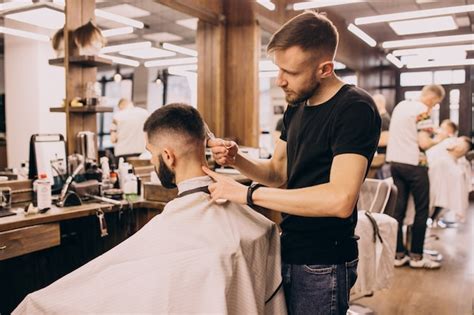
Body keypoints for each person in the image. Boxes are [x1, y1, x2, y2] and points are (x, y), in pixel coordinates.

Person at [14, 104, 286, 315]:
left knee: (37, 304)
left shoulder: (178, 224)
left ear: (168, 156)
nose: (153, 159)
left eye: (152, 153)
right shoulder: (258, 226)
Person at [204, 11, 381, 315]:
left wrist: (247, 194)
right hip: (289, 248)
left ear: (325, 69)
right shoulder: (296, 108)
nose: (280, 80)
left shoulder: (355, 109)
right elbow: (277, 173)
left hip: (324, 261)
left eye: (291, 72)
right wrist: (238, 160)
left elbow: (340, 199)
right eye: (277, 68)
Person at [386, 84, 447, 269]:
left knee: (399, 210)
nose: (434, 106)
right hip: (414, 165)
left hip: (395, 162)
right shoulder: (422, 111)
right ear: (432, 98)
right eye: (436, 103)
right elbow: (424, 143)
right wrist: (441, 138)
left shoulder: (401, 106)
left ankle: (398, 254)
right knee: (422, 210)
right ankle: (416, 256)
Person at [428, 136, 472, 224]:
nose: (452, 142)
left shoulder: (453, 166)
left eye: (457, 141)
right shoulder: (444, 159)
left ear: (462, 149)